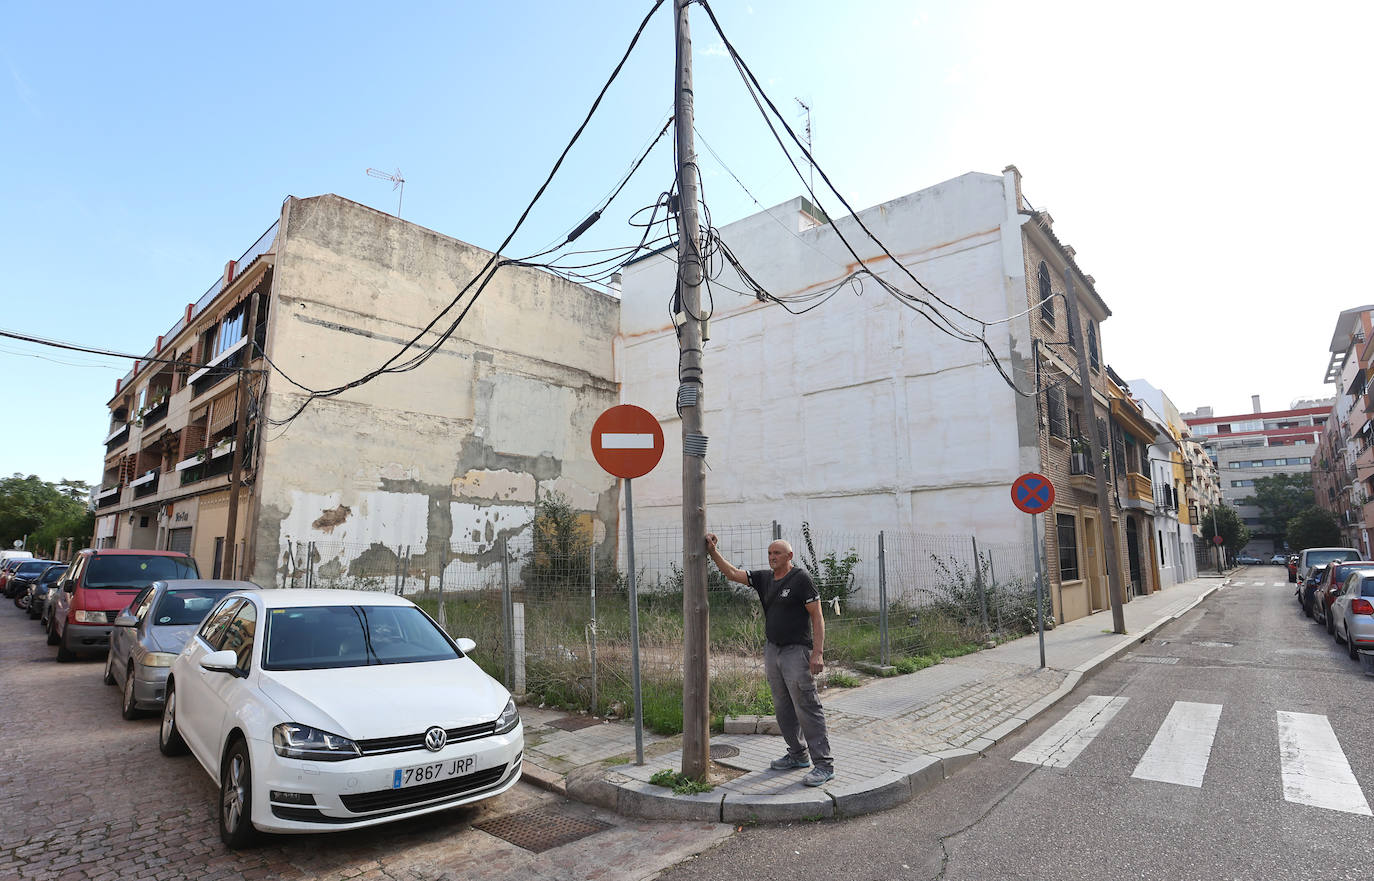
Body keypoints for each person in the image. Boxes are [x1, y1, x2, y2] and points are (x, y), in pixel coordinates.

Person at [705, 532, 834, 786]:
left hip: (797, 651)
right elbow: (732, 573)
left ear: (790, 556)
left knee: (806, 706)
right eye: (770, 553)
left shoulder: (801, 579)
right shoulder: (764, 578)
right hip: (772, 649)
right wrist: (712, 552)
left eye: (777, 553)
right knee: (782, 706)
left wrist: (817, 653)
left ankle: (824, 765)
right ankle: (797, 755)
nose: (772, 557)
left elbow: (817, 617)